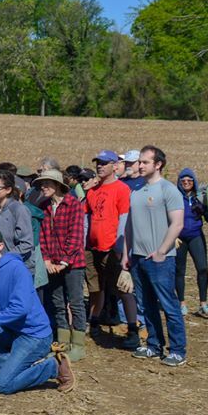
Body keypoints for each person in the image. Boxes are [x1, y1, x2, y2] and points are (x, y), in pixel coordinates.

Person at [0, 228, 75, 395]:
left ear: (0, 246)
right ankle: (12, 370)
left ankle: (54, 367)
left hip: (34, 336)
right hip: (10, 329)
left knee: (2, 385)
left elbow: (20, 309)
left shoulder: (17, 269)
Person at [125, 146, 187, 367]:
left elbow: (177, 224)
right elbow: (129, 226)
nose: (139, 165)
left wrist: (161, 251)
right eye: (139, 162)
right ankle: (153, 345)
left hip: (161, 260)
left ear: (158, 164)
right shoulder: (137, 192)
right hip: (138, 258)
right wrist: (127, 253)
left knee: (168, 305)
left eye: (144, 162)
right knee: (147, 305)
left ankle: (178, 350)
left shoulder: (169, 190)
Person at [84, 149, 138, 342]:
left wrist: (122, 251)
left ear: (115, 166)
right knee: (95, 288)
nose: (99, 166)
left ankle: (133, 330)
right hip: (92, 248)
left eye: (104, 163)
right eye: (98, 162)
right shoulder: (92, 190)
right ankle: (95, 322)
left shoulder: (122, 189)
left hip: (113, 248)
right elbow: (86, 219)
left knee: (123, 289)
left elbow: (124, 220)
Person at [36, 169, 87, 361]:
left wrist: (64, 261)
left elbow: (75, 236)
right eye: (42, 184)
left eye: (47, 184)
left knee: (75, 302)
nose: (43, 187)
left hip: (73, 263)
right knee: (57, 303)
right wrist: (47, 260)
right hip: (52, 264)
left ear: (58, 186)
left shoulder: (73, 204)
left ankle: (79, 344)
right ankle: (63, 340)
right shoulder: (44, 207)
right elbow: (43, 237)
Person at [176, 168, 208, 317]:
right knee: (179, 271)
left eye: (189, 180)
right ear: (180, 182)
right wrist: (172, 236)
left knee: (203, 268)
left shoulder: (199, 198)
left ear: (194, 182)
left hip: (196, 236)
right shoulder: (175, 197)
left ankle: (203, 304)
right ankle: (182, 304)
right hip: (179, 239)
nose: (186, 183)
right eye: (183, 180)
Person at [0, 170, 35, 273]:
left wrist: (4, 259)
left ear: (8, 189)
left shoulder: (19, 210)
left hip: (18, 270)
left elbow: (27, 244)